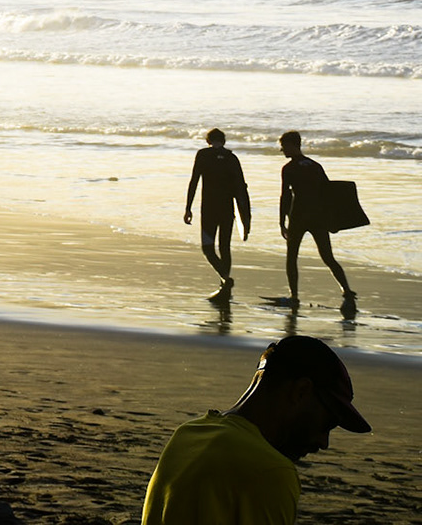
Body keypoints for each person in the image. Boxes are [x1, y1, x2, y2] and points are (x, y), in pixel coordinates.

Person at [140, 334, 370, 524]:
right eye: (326, 424)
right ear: (300, 392)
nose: (324, 442)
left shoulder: (187, 435)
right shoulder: (270, 472)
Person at [277, 131, 353, 306]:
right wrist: (333, 219)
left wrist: (281, 222)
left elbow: (285, 196)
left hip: (298, 217)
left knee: (291, 258)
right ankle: (347, 292)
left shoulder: (288, 168)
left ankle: (294, 297)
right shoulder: (315, 165)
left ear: (292, 145)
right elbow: (329, 192)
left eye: (283, 146)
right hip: (318, 217)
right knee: (328, 257)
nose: (282, 150)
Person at [183, 128, 251, 299]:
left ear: (208, 140)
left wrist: (188, 207)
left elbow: (194, 181)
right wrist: (246, 217)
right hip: (227, 210)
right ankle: (224, 288)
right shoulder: (231, 158)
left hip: (209, 210)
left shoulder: (203, 155)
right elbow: (241, 189)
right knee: (224, 247)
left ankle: (225, 280)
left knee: (208, 248)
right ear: (224, 141)